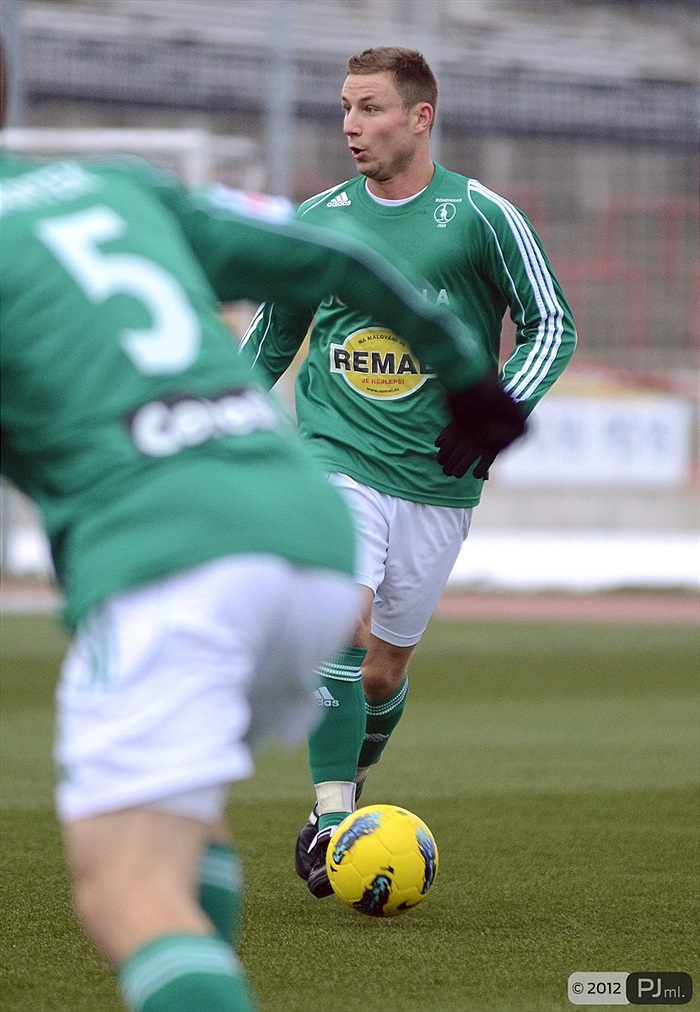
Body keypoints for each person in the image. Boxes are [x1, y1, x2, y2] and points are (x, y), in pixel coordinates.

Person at [0, 43, 526, 1012]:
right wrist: (465, 371)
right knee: (184, 830)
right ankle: (322, 823)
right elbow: (330, 257)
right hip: (301, 523)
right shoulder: (118, 187)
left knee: (127, 886)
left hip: (167, 556)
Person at [239, 46, 577, 899]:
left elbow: (551, 325)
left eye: (371, 108)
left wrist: (497, 413)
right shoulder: (319, 217)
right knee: (339, 627)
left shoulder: (481, 216)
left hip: (436, 478)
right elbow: (275, 337)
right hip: (334, 454)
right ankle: (329, 820)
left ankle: (351, 790)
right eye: (345, 107)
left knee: (383, 672)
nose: (351, 125)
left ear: (420, 117)